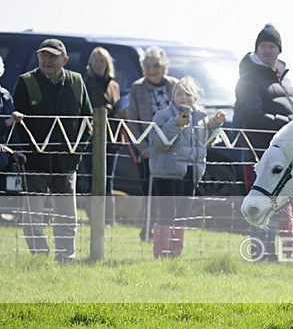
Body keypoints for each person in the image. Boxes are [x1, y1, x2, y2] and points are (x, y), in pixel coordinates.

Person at [13, 39, 93, 263]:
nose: (47, 60)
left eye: (53, 56)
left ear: (64, 60)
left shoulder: (77, 82)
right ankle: (39, 255)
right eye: (43, 56)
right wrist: (23, 153)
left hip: (66, 163)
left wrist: (76, 153)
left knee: (67, 216)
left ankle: (66, 257)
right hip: (34, 162)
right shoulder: (26, 82)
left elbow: (88, 122)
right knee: (32, 216)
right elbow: (17, 123)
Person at [233, 23, 293, 262]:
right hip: (257, 152)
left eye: (272, 45)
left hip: (281, 153)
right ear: (257, 49)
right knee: (260, 204)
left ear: (279, 49)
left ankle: (289, 254)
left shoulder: (283, 78)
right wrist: (289, 123)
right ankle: (262, 254)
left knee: (283, 204)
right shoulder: (248, 78)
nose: (268, 50)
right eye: (264, 45)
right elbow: (252, 115)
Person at [149, 76, 225, 234]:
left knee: (182, 216)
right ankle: (162, 252)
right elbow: (159, 143)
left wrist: (214, 124)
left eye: (188, 94)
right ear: (173, 97)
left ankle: (176, 252)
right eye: (179, 94)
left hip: (192, 171)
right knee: (166, 215)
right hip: (167, 173)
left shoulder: (201, 118)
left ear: (195, 98)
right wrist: (175, 123)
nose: (184, 98)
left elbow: (205, 142)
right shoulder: (162, 116)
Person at [128, 46, 178, 241]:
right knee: (149, 192)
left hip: (171, 149)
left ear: (164, 66)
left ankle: (166, 232)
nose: (152, 69)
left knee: (168, 193)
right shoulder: (137, 88)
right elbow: (133, 122)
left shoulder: (174, 85)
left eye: (156, 65)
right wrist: (143, 148)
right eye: (148, 65)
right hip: (148, 150)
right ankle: (146, 230)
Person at [0, 49, 24, 259]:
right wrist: (4, 121)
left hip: (2, 162)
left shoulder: (6, 95)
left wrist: (17, 151)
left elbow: (13, 129)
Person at [81, 47, 121, 226]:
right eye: (96, 61)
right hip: (92, 138)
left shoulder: (114, 85)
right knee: (92, 179)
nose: (99, 64)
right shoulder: (85, 83)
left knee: (109, 181)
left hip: (112, 139)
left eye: (102, 61)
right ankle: (95, 218)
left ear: (107, 64)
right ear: (90, 63)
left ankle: (108, 220)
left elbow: (117, 108)